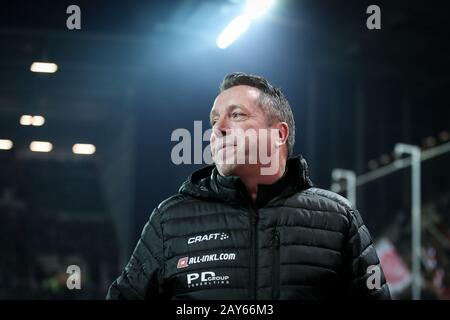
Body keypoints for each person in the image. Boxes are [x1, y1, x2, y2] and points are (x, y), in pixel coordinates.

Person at [107, 72, 391, 300]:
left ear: (279, 134)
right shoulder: (169, 220)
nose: (218, 129)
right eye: (214, 119)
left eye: (237, 115)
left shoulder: (339, 219)